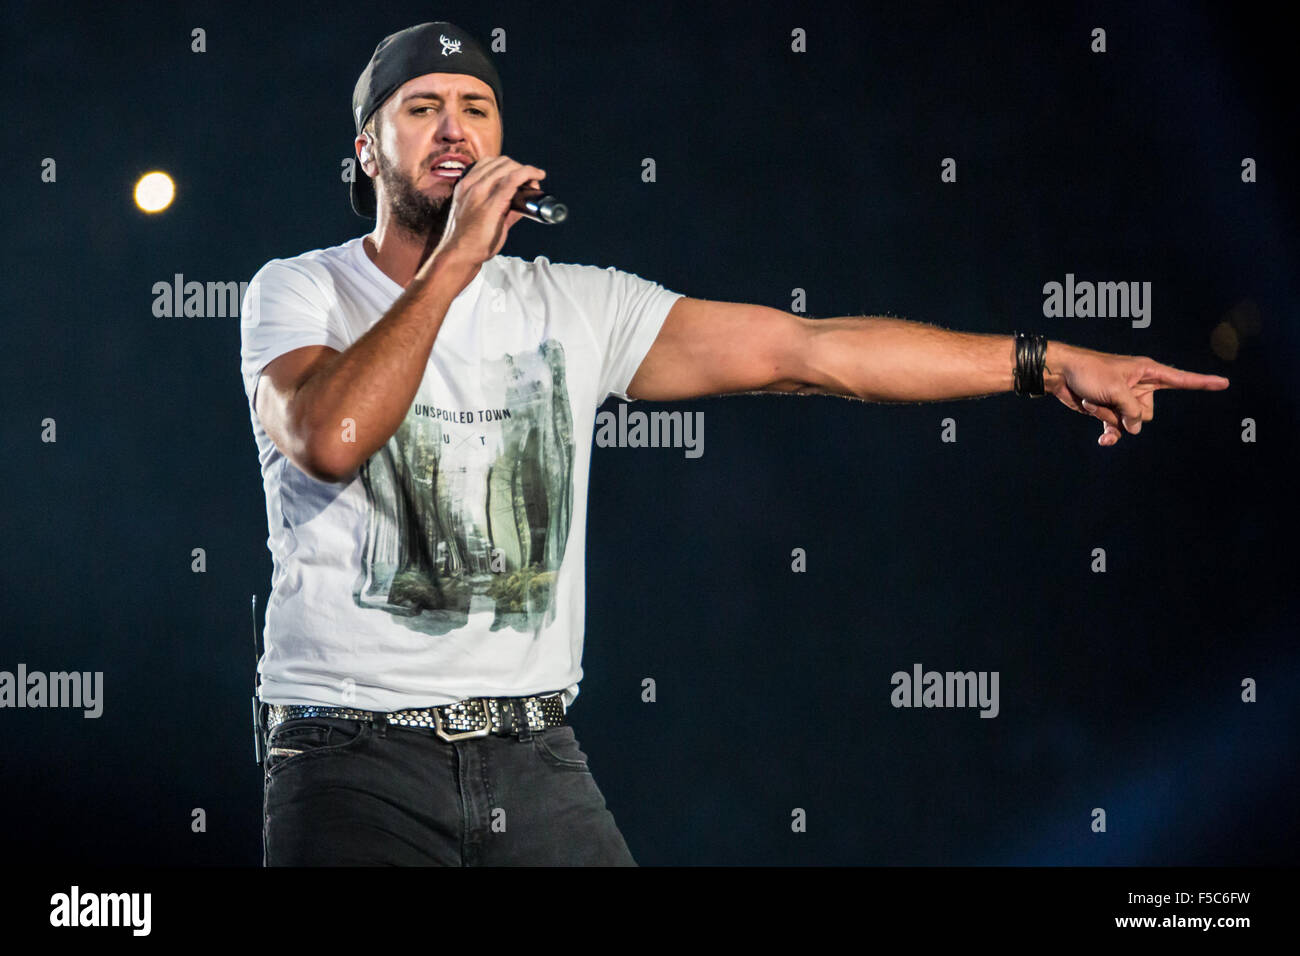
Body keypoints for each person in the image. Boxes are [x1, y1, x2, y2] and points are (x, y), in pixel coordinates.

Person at [239, 21, 1229, 866]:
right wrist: (454, 260)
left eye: (476, 106)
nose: (455, 126)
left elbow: (809, 348)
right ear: (368, 148)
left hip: (532, 746)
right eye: (421, 106)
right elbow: (330, 437)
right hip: (349, 751)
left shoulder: (572, 304)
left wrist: (1043, 359)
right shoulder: (300, 290)